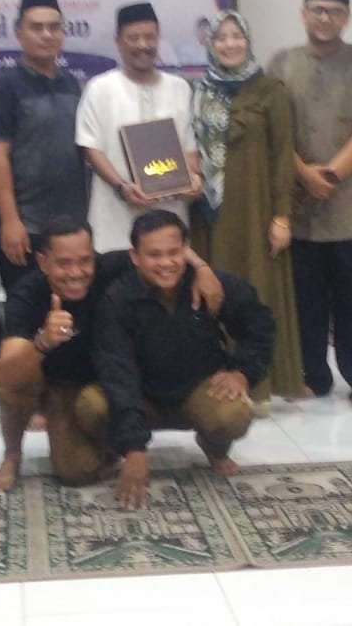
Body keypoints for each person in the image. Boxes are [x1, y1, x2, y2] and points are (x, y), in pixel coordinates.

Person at [0, 216, 223, 491]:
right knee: (74, 471)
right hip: (61, 385)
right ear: (43, 262)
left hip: (111, 379)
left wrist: (202, 268)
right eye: (64, 263)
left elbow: (164, 248)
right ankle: (12, 455)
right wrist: (43, 342)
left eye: (85, 260)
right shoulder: (27, 296)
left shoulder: (110, 267)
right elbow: (8, 371)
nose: (76, 272)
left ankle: (112, 440)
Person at [86, 211, 275, 510]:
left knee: (234, 414)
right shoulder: (116, 299)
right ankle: (115, 449)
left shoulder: (212, 283)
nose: (166, 263)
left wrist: (242, 372)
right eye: (154, 255)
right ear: (135, 257)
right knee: (91, 405)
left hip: (197, 388)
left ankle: (213, 446)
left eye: (174, 253)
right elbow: (118, 372)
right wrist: (134, 449)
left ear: (186, 251)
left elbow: (260, 325)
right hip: (142, 395)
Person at [268, 0, 352, 409]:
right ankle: (312, 375)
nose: (325, 18)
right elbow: (272, 129)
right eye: (318, 10)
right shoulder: (282, 63)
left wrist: (331, 175)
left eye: (335, 11)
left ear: (347, 18)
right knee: (306, 299)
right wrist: (305, 175)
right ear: (304, 14)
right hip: (301, 206)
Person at [189, 10, 306, 406]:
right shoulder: (199, 91)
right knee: (213, 292)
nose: (230, 44)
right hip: (209, 213)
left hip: (256, 211)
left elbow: (282, 156)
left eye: (237, 35)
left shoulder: (270, 90)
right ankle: (215, 380)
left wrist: (282, 216)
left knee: (256, 291)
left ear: (249, 40)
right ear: (210, 43)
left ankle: (257, 383)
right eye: (221, 37)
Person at [0, 0, 88, 290]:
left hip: (71, 228)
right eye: (37, 27)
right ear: (19, 34)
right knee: (27, 308)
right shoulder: (3, 88)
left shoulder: (72, 85)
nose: (46, 35)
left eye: (54, 27)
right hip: (27, 228)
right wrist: (10, 221)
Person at [77, 1, 203, 253]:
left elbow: (189, 145)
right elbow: (90, 148)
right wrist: (121, 188)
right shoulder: (100, 88)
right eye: (133, 38)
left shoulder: (179, 88)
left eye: (150, 37)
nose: (143, 45)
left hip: (169, 218)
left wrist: (194, 180)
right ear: (118, 42)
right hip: (115, 220)